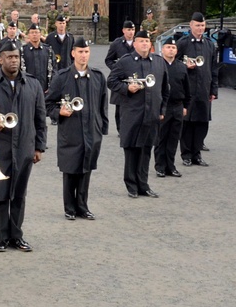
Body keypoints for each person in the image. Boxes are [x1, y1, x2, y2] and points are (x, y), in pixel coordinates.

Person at [0, 39, 46, 251]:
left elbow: (40, 118)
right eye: (9, 57)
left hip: (24, 146)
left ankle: (16, 235)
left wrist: (39, 147)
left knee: (19, 194)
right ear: (0, 59)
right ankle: (1, 237)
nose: (14, 61)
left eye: (16, 56)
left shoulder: (33, 84)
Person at [45, 38, 109, 220]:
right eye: (80, 52)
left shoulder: (97, 77)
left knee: (86, 169)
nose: (83, 55)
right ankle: (69, 208)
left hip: (92, 130)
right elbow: (47, 103)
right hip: (71, 131)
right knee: (71, 169)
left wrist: (102, 127)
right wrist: (59, 112)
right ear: (73, 53)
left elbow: (102, 104)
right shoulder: (63, 77)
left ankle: (82, 206)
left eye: (86, 52)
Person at [107, 29, 169, 198]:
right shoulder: (125, 62)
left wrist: (162, 110)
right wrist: (127, 88)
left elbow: (165, 89)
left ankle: (144, 184)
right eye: (141, 41)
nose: (144, 44)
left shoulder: (158, 62)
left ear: (150, 44)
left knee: (146, 150)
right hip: (132, 113)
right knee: (132, 150)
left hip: (151, 114)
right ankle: (131, 185)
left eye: (147, 42)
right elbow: (111, 81)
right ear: (134, 44)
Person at [175, 12, 219, 166]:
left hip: (204, 89)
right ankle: (186, 154)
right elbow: (173, 62)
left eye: (202, 25)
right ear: (191, 25)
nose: (200, 28)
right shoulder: (183, 43)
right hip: (187, 89)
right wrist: (184, 65)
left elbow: (214, 69)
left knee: (202, 122)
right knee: (187, 122)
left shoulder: (210, 45)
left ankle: (197, 153)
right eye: (197, 25)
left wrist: (214, 90)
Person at [153, 36, 190, 179]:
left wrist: (186, 105)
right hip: (163, 107)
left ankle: (171, 166)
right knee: (161, 138)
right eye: (168, 47)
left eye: (173, 48)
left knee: (174, 138)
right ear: (162, 49)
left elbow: (187, 89)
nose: (171, 50)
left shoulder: (181, 67)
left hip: (178, 107)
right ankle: (160, 166)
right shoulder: (157, 65)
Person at [20, 24, 55, 92]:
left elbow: (54, 69)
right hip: (27, 88)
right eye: (32, 33)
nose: (34, 35)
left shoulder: (48, 50)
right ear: (28, 35)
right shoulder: (22, 51)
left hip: (45, 88)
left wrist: (51, 85)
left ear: (40, 34)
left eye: (36, 32)